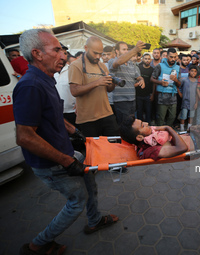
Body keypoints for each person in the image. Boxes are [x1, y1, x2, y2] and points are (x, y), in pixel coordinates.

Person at [13, 28, 118, 255]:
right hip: (52, 164)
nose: (63, 55)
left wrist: (74, 131)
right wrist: (68, 162)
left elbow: (52, 116)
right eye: (57, 49)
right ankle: (37, 246)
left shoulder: (46, 79)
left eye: (63, 49)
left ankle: (94, 220)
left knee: (90, 183)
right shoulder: (30, 85)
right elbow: (24, 136)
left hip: (66, 152)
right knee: (76, 201)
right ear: (37, 54)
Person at [68, 36, 118, 137]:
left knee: (114, 145)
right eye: (95, 53)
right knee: (94, 150)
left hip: (106, 113)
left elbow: (109, 89)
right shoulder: (76, 65)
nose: (98, 56)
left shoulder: (102, 65)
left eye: (100, 54)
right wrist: (97, 82)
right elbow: (74, 91)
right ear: (86, 48)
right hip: (88, 118)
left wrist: (112, 83)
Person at [108, 40, 145, 125]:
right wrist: (135, 50)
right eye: (124, 49)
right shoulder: (113, 61)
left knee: (131, 125)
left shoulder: (131, 63)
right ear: (117, 51)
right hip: (121, 101)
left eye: (127, 49)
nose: (126, 51)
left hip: (132, 100)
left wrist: (141, 79)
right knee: (124, 125)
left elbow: (137, 76)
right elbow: (118, 62)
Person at [151, 48, 181, 126]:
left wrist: (176, 80)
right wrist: (161, 82)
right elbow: (151, 79)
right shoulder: (160, 66)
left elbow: (179, 84)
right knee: (161, 117)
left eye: (175, 57)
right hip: (162, 96)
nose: (173, 59)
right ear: (167, 56)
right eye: (171, 57)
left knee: (172, 116)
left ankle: (167, 132)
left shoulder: (178, 67)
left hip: (173, 96)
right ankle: (160, 134)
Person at [179, 65, 198, 131]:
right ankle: (182, 128)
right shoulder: (184, 80)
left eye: (195, 71)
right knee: (183, 116)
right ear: (189, 71)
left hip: (193, 101)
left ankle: (189, 128)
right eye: (192, 71)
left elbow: (197, 93)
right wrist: (180, 93)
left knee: (191, 116)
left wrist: (196, 102)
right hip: (185, 101)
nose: (193, 73)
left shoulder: (196, 81)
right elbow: (178, 87)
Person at [136, 53, 154, 123]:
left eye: (148, 59)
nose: (147, 60)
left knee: (148, 112)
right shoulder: (138, 68)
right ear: (142, 59)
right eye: (145, 59)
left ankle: (148, 127)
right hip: (138, 94)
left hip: (148, 95)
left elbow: (153, 83)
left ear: (151, 60)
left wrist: (152, 94)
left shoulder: (152, 69)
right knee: (139, 112)